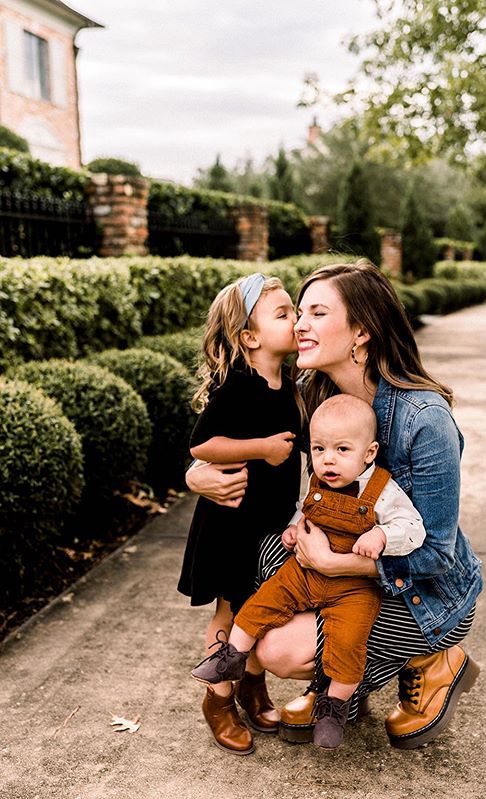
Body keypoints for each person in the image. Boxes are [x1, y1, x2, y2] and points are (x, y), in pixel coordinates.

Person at [186, 259, 483, 750]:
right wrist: (196, 474)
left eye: (317, 313)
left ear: (361, 332)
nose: (300, 324)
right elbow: (227, 432)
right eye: (297, 313)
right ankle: (345, 677)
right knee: (259, 554)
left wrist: (336, 562)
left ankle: (432, 661)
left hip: (424, 591)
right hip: (345, 563)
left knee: (278, 649)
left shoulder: (424, 421)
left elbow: (437, 555)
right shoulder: (312, 395)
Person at [190, 393, 426, 750]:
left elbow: (413, 528)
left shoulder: (382, 490)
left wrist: (381, 535)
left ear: (370, 453)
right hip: (305, 573)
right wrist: (293, 528)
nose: (328, 460)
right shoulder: (320, 480)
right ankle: (231, 659)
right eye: (318, 450)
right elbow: (306, 511)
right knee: (262, 601)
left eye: (342, 450)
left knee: (348, 642)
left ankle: (334, 707)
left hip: (354, 586)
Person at [177, 272, 302, 756]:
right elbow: (203, 443)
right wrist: (263, 450)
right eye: (283, 313)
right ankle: (220, 697)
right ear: (249, 338)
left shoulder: (289, 382)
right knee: (230, 610)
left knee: (262, 609)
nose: (294, 320)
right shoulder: (238, 385)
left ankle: (253, 687)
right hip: (230, 523)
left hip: (270, 524)